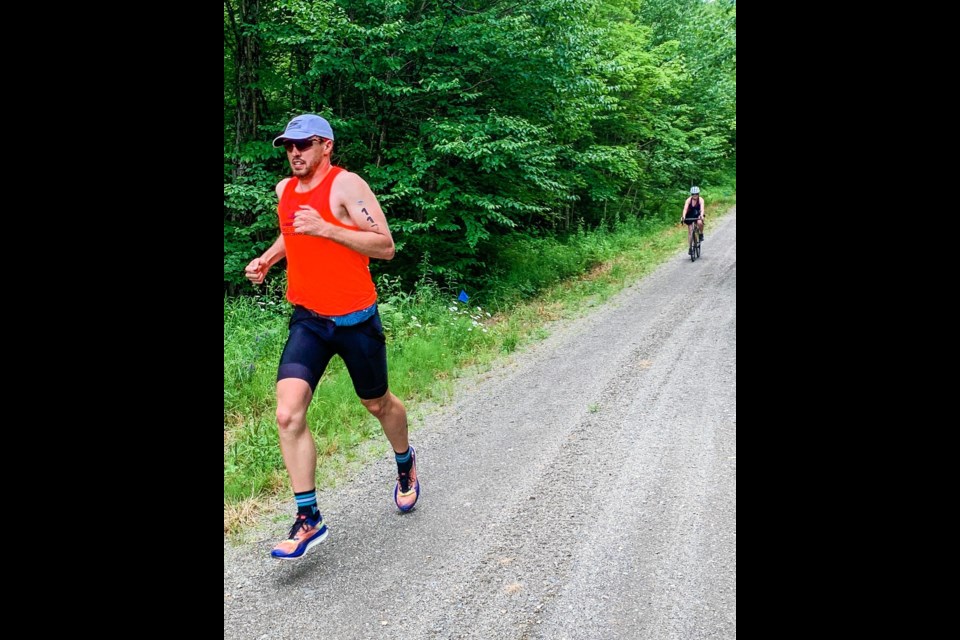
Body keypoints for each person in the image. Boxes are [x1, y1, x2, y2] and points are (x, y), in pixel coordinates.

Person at [244, 114, 420, 560]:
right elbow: (292, 234)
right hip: (308, 319)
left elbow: (385, 246)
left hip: (356, 319)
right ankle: (308, 518)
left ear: (326, 146)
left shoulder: (348, 186)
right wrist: (267, 259)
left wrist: (327, 228)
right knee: (287, 414)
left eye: (304, 145)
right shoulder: (284, 191)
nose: (295, 153)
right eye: (288, 146)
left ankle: (405, 462)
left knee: (377, 403)